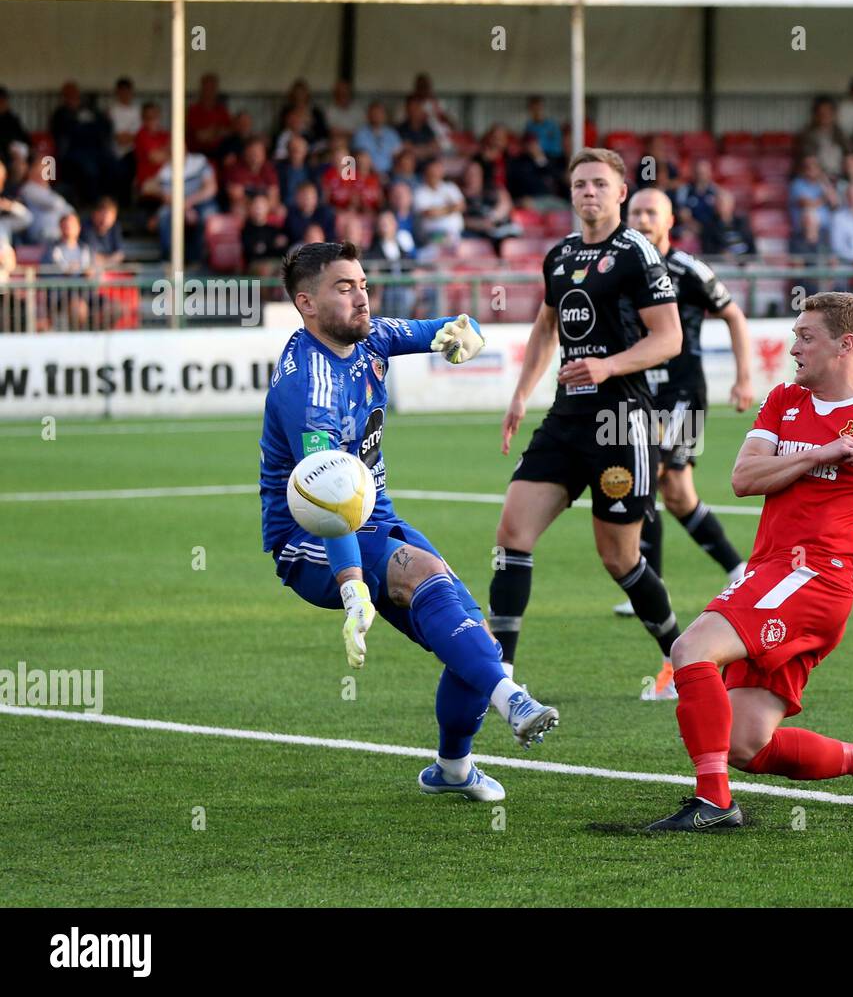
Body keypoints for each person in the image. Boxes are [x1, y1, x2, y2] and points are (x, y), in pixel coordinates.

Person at [260, 242, 559, 801]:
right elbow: (329, 506)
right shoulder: (309, 388)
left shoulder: (368, 334)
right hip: (309, 538)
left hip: (372, 516)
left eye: (363, 284)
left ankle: (452, 768)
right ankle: (512, 699)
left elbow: (432, 331)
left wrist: (461, 331)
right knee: (420, 570)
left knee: (476, 640)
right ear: (306, 303)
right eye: (343, 288)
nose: (360, 297)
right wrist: (352, 589)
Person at [643, 291, 853, 831]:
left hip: (813, 578)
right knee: (745, 743)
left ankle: (714, 803)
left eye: (806, 337)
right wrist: (817, 454)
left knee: (690, 650)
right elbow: (742, 479)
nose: (793, 348)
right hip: (770, 572)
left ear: (845, 345)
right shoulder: (785, 400)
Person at [490, 148, 683, 687]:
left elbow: (669, 338)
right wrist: (520, 393)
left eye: (599, 183)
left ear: (621, 192)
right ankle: (501, 674)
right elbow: (545, 326)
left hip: (620, 424)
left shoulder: (637, 254)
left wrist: (608, 366)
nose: (588, 192)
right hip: (566, 419)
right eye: (579, 185)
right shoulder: (559, 255)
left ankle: (682, 657)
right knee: (511, 534)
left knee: (619, 558)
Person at [609, 189, 754, 688]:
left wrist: (743, 378)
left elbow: (733, 315)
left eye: (652, 213)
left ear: (670, 220)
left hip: (684, 394)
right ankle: (656, 580)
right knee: (671, 492)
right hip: (639, 392)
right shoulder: (623, 266)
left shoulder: (689, 269)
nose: (643, 220)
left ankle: (732, 568)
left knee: (666, 480)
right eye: (637, 214)